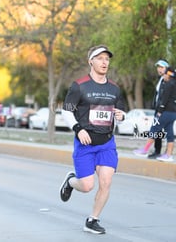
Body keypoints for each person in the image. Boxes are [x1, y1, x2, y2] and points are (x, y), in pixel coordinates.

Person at [59, 45, 126, 234]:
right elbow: (66, 110)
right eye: (100, 58)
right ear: (91, 61)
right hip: (85, 143)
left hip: (106, 142)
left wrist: (122, 116)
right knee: (87, 186)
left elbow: (119, 111)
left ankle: (92, 220)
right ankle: (71, 181)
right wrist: (78, 129)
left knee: (106, 182)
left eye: (107, 59)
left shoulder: (114, 88)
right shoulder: (79, 86)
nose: (104, 62)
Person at [133, 67, 176, 162]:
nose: (164, 76)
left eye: (165, 74)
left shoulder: (168, 85)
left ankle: (145, 150)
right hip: (173, 113)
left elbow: (164, 100)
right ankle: (168, 155)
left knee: (154, 129)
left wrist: (159, 111)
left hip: (165, 112)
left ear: (169, 75)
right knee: (170, 134)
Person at [147, 59, 169, 159]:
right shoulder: (160, 79)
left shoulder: (167, 79)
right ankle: (158, 150)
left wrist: (161, 109)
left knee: (158, 130)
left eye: (161, 67)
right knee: (158, 131)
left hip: (163, 110)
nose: (159, 69)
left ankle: (160, 151)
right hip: (158, 109)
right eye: (158, 67)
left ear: (166, 68)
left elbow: (165, 96)